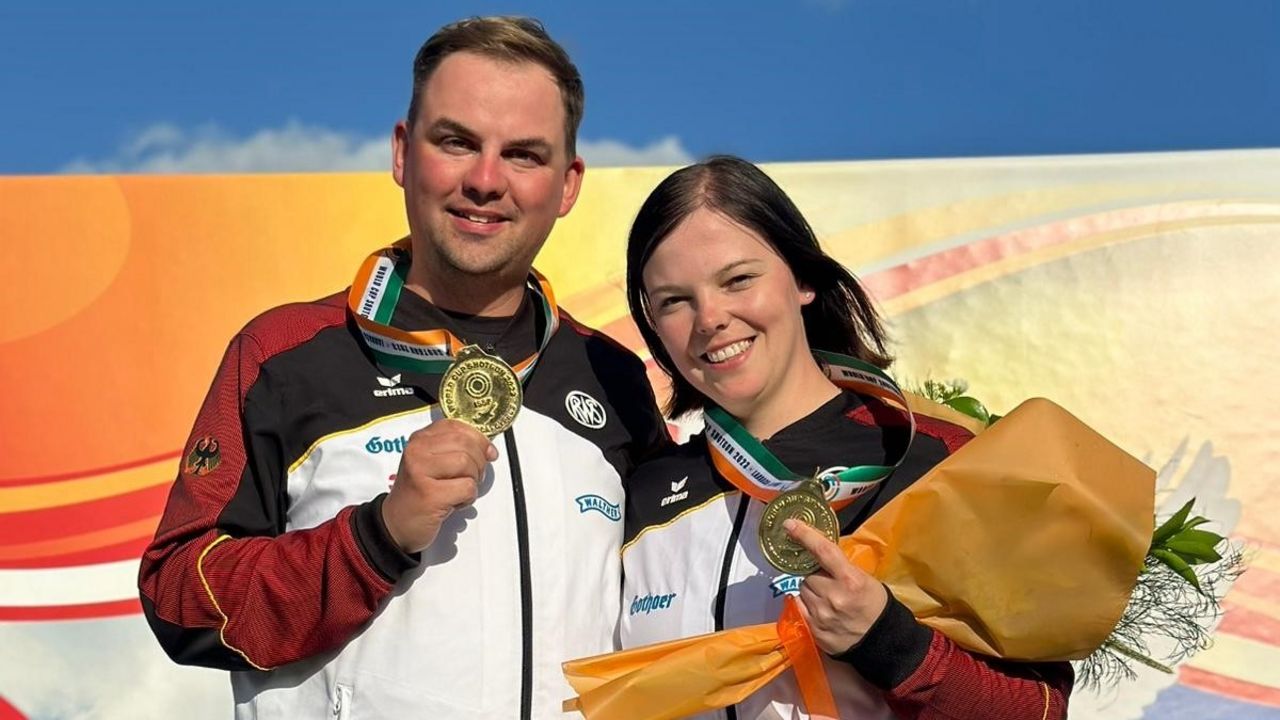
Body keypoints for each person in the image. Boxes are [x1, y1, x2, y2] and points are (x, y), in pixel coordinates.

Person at [139, 16, 667, 720]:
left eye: (523, 155)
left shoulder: (614, 379)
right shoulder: (284, 353)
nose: (485, 180)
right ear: (401, 153)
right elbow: (178, 598)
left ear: (568, 185)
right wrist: (375, 538)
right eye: (456, 142)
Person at [619, 155, 1074, 719]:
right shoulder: (644, 496)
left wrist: (887, 642)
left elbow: (1040, 710)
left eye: (738, 279)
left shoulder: (931, 461)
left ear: (803, 279)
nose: (709, 317)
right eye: (674, 300)